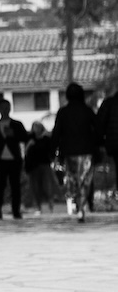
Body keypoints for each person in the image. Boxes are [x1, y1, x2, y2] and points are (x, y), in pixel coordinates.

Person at [52, 83, 99, 222]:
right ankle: (82, 206)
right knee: (85, 180)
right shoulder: (87, 110)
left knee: (73, 179)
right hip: (86, 151)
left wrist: (52, 150)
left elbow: (56, 133)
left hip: (69, 151)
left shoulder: (63, 112)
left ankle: (79, 205)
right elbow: (98, 129)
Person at [0, 97, 28, 220]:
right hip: (0, 160)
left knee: (15, 186)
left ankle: (16, 211)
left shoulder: (17, 124)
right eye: (3, 108)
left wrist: (13, 135)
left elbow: (25, 138)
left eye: (7, 107)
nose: (5, 110)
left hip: (14, 159)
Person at [24, 115, 58, 214]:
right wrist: (29, 145)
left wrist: (54, 162)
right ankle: (38, 207)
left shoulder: (46, 139)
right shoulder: (30, 139)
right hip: (33, 166)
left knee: (48, 186)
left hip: (45, 165)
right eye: (34, 127)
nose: (36, 129)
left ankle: (51, 205)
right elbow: (26, 153)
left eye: (38, 127)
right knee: (35, 187)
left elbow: (52, 152)